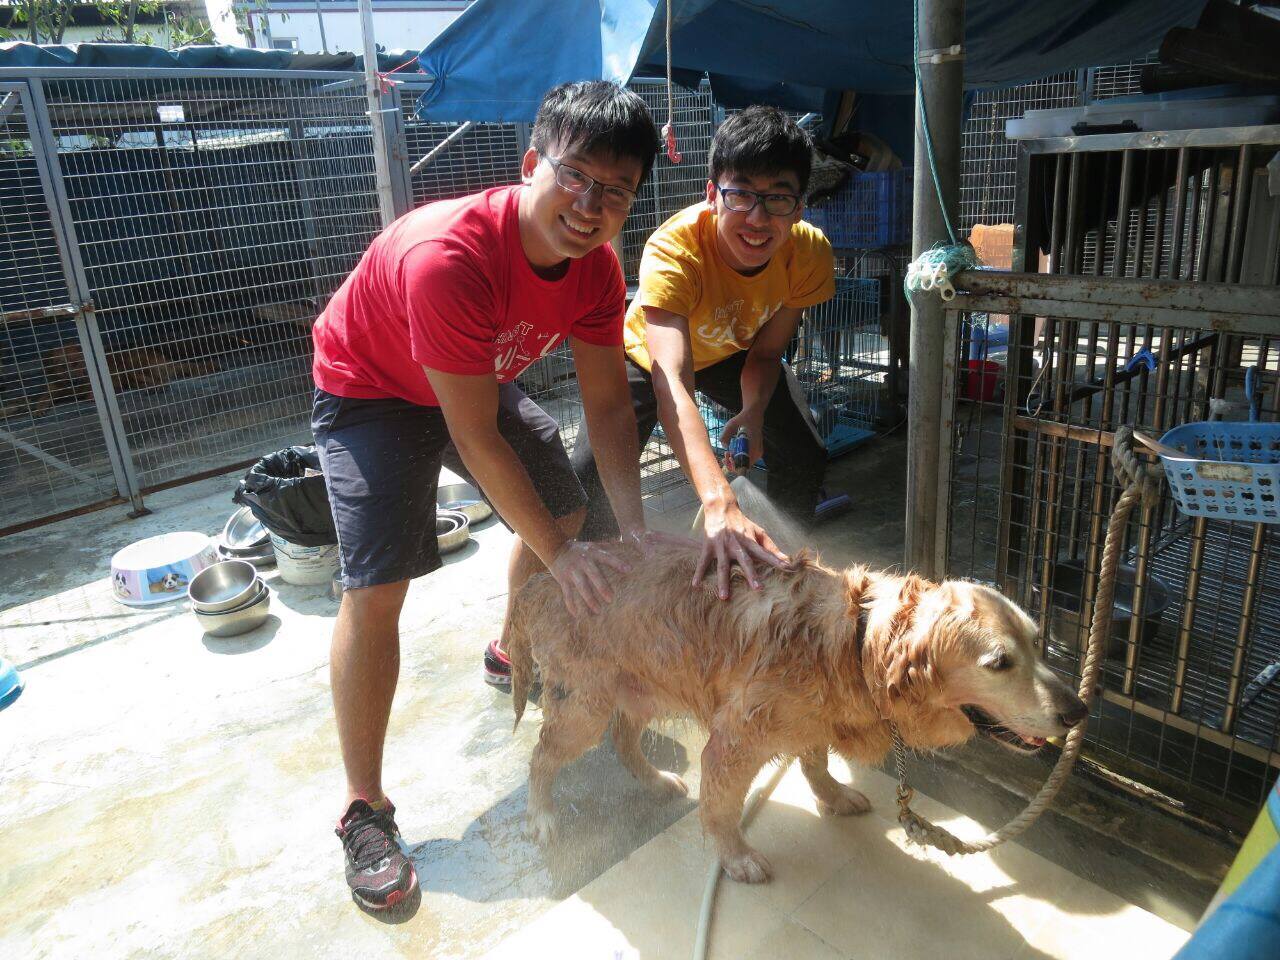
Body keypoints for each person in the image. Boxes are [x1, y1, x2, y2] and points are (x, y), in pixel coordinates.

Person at [310, 81, 672, 910]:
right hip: (370, 388)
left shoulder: (596, 266)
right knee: (378, 585)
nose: (591, 204)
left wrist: (638, 533)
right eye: (575, 175)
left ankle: (513, 646)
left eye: (616, 191)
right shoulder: (452, 256)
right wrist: (562, 557)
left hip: (466, 378)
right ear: (530, 164)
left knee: (565, 503)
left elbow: (611, 408)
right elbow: (471, 436)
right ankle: (363, 809)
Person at [571, 105, 835, 599]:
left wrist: (753, 412)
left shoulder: (810, 253)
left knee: (803, 455)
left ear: (799, 207)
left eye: (778, 199)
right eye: (740, 196)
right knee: (585, 484)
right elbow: (672, 378)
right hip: (647, 358)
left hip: (733, 351)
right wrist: (716, 498)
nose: (758, 219)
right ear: (712, 195)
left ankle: (775, 582)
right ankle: (591, 607)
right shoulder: (675, 249)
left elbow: (766, 352)